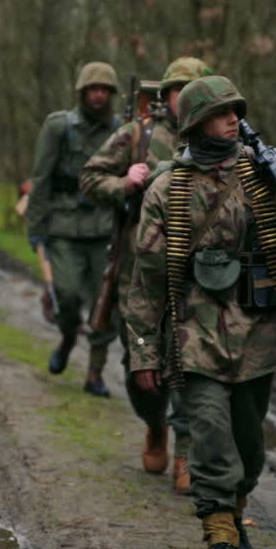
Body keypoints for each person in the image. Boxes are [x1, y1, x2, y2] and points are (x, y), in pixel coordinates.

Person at [125, 76, 276, 549]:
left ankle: (236, 507)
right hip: (195, 332)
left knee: (249, 445)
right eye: (223, 111)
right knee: (207, 431)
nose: (234, 119)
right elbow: (147, 281)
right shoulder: (168, 188)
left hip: (259, 331)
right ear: (198, 122)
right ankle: (220, 536)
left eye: (236, 112)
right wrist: (143, 353)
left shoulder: (263, 177)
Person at [80, 57, 213, 492]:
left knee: (191, 360)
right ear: (166, 96)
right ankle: (154, 421)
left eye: (193, 90)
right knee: (140, 359)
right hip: (139, 273)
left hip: (200, 275)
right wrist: (125, 183)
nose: (184, 99)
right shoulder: (140, 134)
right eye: (177, 91)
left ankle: (186, 449)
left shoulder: (222, 140)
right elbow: (90, 178)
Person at [25, 61, 122, 396]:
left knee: (105, 304)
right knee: (65, 295)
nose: (98, 96)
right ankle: (67, 338)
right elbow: (41, 181)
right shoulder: (59, 127)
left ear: (110, 94)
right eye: (92, 90)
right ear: (82, 93)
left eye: (104, 90)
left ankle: (94, 373)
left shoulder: (123, 130)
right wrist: (35, 229)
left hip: (106, 230)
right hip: (64, 227)